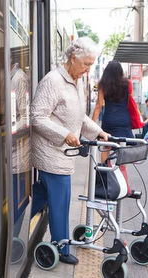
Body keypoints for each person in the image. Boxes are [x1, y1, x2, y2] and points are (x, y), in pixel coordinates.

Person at [30, 37, 110, 265]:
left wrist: (99, 132)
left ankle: (14, 225)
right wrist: (64, 134)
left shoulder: (77, 82)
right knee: (61, 201)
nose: (88, 70)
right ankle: (61, 248)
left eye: (91, 65)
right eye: (86, 64)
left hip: (63, 154)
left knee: (43, 196)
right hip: (51, 154)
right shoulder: (53, 81)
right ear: (73, 58)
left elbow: (79, 116)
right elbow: (37, 117)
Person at [92, 60, 133, 162]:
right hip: (124, 119)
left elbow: (98, 106)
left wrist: (91, 124)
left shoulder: (102, 85)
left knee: (106, 147)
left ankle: (104, 173)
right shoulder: (127, 83)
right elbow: (130, 101)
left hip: (109, 120)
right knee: (121, 149)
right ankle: (121, 174)